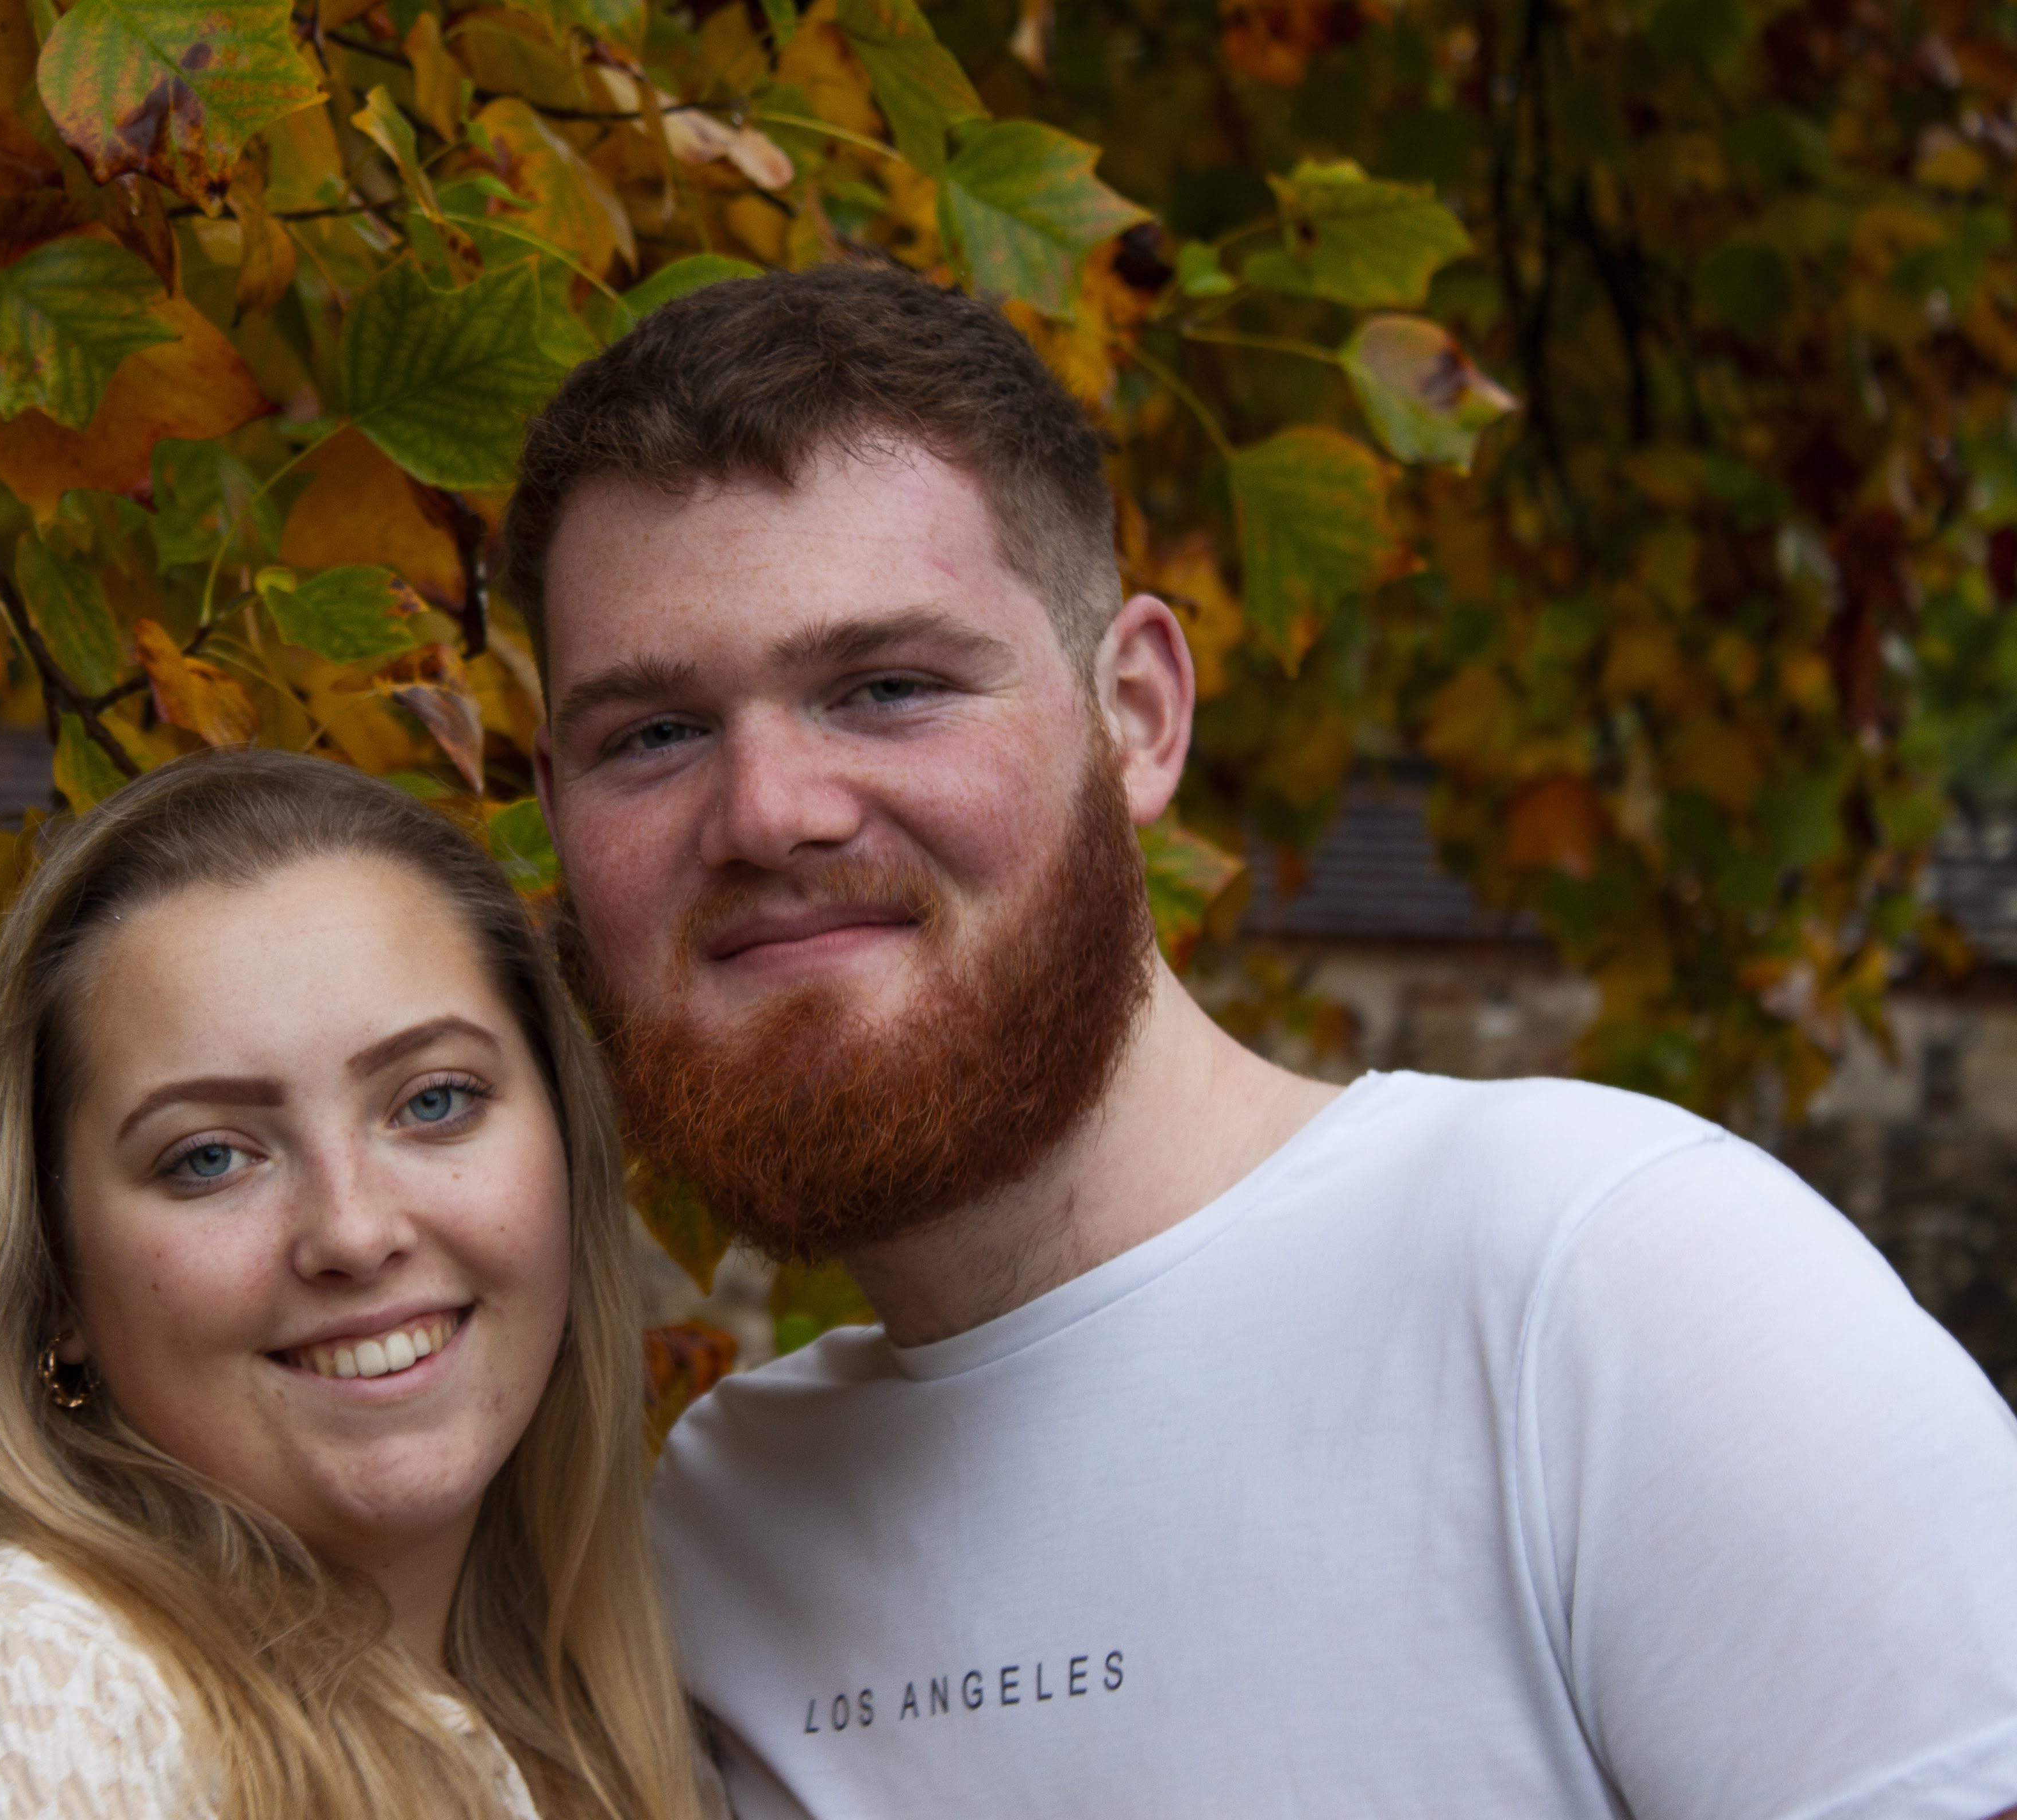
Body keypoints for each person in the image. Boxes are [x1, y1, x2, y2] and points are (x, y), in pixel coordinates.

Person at [507, 263, 2017, 1820]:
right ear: (556, 814)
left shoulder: (1605, 1286)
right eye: (656, 737)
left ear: (1141, 717)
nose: (767, 811)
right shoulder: (725, 1530)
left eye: (888, 687)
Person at [0, 750, 709, 1820]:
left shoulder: (618, 1713)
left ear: (568, 1145)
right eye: (209, 1157)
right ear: (56, 1281)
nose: (354, 1231)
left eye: (433, 1101)